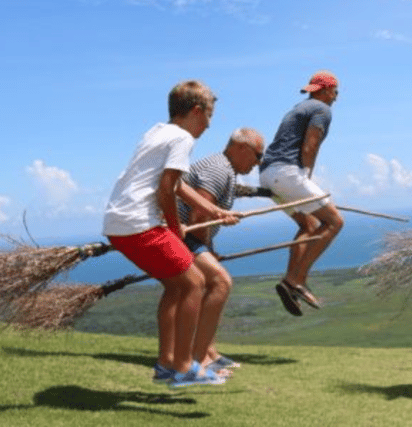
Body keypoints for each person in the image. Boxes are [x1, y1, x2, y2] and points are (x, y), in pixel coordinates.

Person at [102, 80, 239, 387]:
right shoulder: (181, 139)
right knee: (196, 282)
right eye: (209, 116)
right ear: (196, 111)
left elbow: (177, 185)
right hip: (140, 222)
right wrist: (176, 231)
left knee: (176, 287)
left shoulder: (157, 131)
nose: (208, 125)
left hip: (119, 222)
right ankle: (183, 365)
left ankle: (166, 363)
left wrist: (215, 211)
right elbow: (167, 190)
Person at [177, 127, 265, 375]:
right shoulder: (218, 169)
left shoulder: (225, 168)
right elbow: (199, 215)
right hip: (180, 235)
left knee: (210, 285)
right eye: (257, 156)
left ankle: (208, 351)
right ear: (241, 149)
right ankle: (198, 359)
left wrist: (209, 250)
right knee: (220, 282)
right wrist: (206, 249)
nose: (258, 163)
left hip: (187, 235)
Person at [259, 70, 344, 316]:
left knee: (308, 225)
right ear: (327, 91)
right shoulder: (322, 110)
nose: (336, 97)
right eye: (336, 92)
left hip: (268, 174)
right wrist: (306, 175)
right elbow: (311, 144)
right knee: (334, 221)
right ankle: (296, 279)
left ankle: (292, 280)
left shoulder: (299, 108)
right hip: (287, 173)